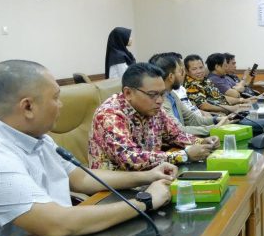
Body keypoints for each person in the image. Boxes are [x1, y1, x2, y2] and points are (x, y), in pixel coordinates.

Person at [0, 60, 173, 236]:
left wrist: (148, 176)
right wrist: (145, 202)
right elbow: (56, 224)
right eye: (56, 98)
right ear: (27, 107)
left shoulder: (34, 134)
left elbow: (80, 178)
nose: (61, 105)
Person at [89, 63, 219, 171]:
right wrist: (183, 155)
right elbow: (129, 158)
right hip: (114, 187)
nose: (159, 100)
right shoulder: (109, 115)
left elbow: (175, 134)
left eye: (162, 94)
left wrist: (202, 142)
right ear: (128, 93)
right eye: (152, 94)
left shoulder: (154, 108)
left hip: (152, 175)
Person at [149, 53, 232, 137]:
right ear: (171, 77)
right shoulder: (161, 101)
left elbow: (191, 118)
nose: (184, 74)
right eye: (181, 71)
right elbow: (179, 130)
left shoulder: (172, 94)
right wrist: (216, 128)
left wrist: (216, 120)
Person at [183, 55, 251, 114]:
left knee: (252, 110)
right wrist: (231, 108)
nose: (199, 71)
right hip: (216, 117)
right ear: (187, 71)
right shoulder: (191, 85)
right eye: (194, 69)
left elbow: (220, 97)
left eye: (201, 67)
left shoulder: (205, 80)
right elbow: (204, 106)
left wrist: (242, 101)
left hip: (227, 111)